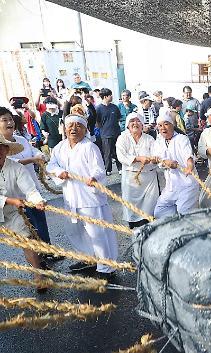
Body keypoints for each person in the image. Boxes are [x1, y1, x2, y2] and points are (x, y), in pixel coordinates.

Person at [46, 114, 119, 279]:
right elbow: (51, 165)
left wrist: (94, 177)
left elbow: (99, 169)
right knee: (75, 231)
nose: (73, 128)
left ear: (85, 129)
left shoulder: (89, 147)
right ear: (65, 128)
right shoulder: (60, 147)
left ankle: (106, 268)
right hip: (71, 197)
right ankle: (88, 258)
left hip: (89, 198)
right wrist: (59, 172)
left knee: (97, 233)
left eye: (78, 126)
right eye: (70, 125)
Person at [0, 134, 48, 291]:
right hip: (11, 204)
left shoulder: (16, 168)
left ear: (6, 150)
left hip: (14, 212)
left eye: (0, 148)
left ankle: (38, 274)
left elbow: (29, 189)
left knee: (27, 240)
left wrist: (37, 201)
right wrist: (9, 200)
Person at [115, 112, 160, 228]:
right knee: (132, 207)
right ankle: (135, 228)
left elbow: (156, 154)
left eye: (138, 120)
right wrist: (138, 158)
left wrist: (154, 159)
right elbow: (121, 157)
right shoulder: (122, 138)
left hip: (149, 179)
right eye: (132, 121)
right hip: (130, 178)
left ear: (142, 124)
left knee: (149, 209)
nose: (135, 123)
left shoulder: (149, 139)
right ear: (127, 125)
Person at [152, 112, 198, 217]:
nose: (163, 127)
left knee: (184, 214)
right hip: (171, 186)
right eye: (160, 125)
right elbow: (156, 159)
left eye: (166, 124)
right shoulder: (158, 142)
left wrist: (190, 165)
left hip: (187, 184)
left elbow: (188, 155)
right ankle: (174, 231)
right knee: (160, 212)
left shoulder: (181, 139)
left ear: (172, 125)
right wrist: (164, 162)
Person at [95, 88, 122, 175]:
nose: (112, 96)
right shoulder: (98, 108)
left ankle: (120, 168)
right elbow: (97, 122)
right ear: (105, 96)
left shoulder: (114, 107)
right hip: (105, 134)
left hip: (116, 132)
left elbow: (118, 118)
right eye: (110, 95)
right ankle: (108, 169)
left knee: (118, 151)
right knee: (107, 152)